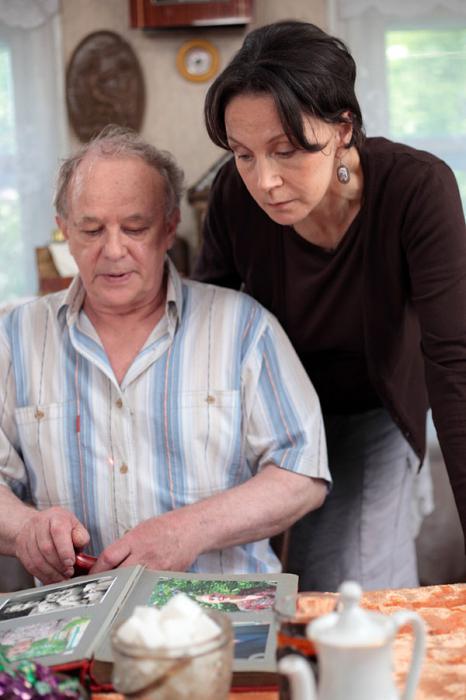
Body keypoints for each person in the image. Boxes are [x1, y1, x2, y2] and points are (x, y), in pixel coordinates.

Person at [193, 20, 466, 591]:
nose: (264, 181)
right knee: (247, 590)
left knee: (339, 582)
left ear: (343, 128)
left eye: (286, 150)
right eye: (243, 154)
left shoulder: (417, 190)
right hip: (273, 414)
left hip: (372, 408)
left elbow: (454, 365)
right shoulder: (231, 197)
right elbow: (206, 336)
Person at [0, 126, 330, 586]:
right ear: (64, 232)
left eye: (135, 228)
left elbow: (303, 472)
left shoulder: (242, 328)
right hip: (76, 628)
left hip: (224, 620)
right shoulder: (14, 338)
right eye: (91, 229)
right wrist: (24, 530)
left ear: (170, 228)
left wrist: (189, 531)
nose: (113, 251)